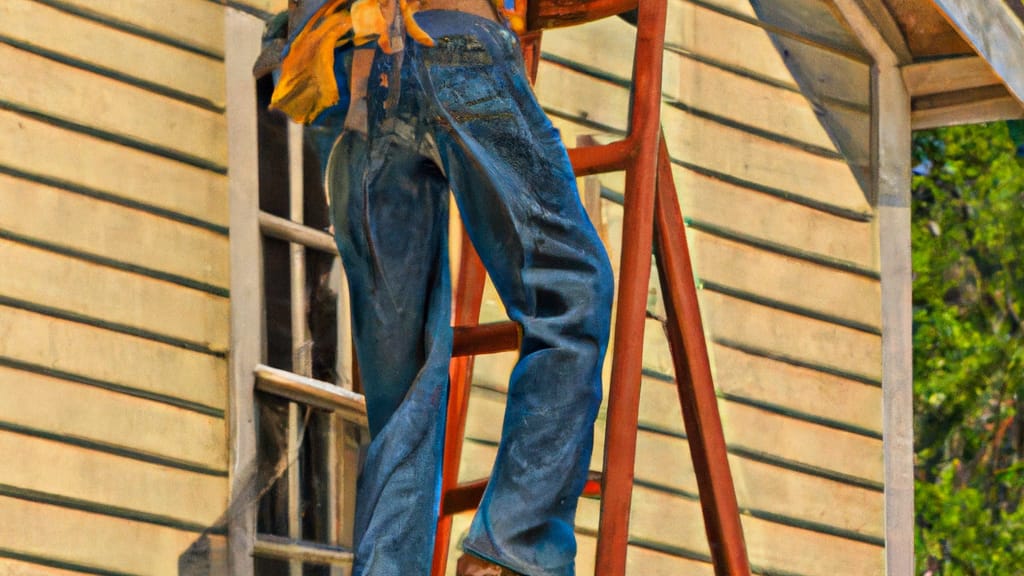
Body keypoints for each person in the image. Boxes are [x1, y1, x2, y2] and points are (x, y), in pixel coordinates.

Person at [268, 1, 613, 573]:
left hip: (348, 73)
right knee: (568, 291)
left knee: (398, 371)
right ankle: (511, 549)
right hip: (453, 44)